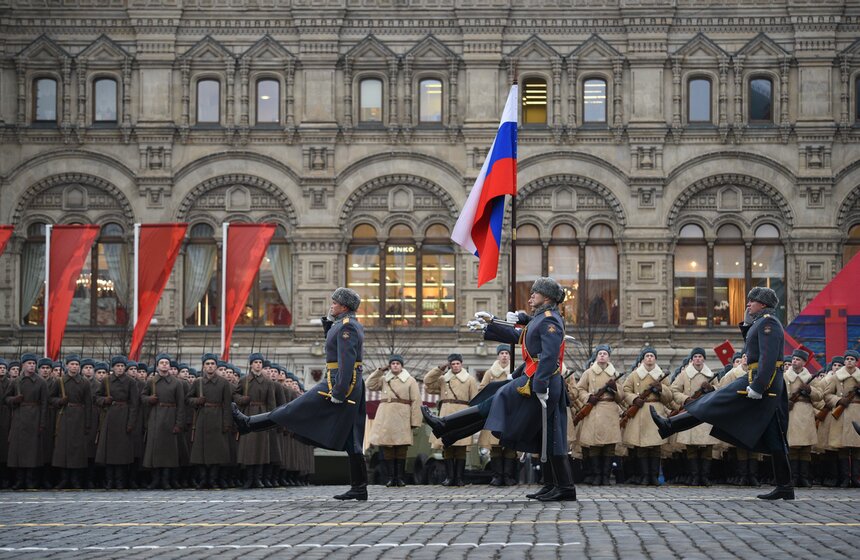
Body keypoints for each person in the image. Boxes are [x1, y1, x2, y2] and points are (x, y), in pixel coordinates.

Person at [422, 277, 576, 501]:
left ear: (548, 298)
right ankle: (557, 485)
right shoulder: (540, 319)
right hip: (536, 379)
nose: (531, 296)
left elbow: (550, 356)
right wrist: (492, 325)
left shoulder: (549, 321)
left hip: (542, 382)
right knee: (548, 435)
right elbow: (521, 336)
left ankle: (446, 426)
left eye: (536, 293)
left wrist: (541, 385)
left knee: (498, 397)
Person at [651, 287, 795, 500]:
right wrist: (748, 324)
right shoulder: (761, 322)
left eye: (751, 301)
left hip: (760, 381)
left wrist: (759, 385)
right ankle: (785, 486)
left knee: (711, 402)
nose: (747, 304)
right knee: (775, 437)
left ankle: (670, 425)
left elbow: (768, 358)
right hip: (761, 382)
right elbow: (754, 347)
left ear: (763, 304)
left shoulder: (769, 324)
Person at [232, 287, 368, 500]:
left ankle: (249, 424)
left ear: (344, 306)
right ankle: (359, 488)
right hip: (347, 383)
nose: (331, 305)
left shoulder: (346, 328)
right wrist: (329, 329)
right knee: (353, 438)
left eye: (334, 302)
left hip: (339, 384)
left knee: (294, 409)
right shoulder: (344, 325)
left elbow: (346, 361)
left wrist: (340, 391)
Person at [365, 355, 422, 487]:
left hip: (403, 416)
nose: (395, 365)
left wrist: (415, 421)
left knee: (401, 448)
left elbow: (416, 401)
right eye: (393, 363)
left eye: (397, 363)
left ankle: (400, 478)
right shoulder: (384, 379)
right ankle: (391, 478)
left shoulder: (410, 380)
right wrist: (380, 370)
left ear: (402, 366)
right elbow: (370, 384)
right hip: (386, 417)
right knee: (388, 448)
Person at [423, 353, 479, 486]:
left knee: (460, 446)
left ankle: (459, 478)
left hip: (463, 412)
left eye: (457, 363)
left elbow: (475, 399)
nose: (455, 366)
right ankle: (449, 477)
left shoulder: (469, 379)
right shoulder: (443, 379)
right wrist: (439, 369)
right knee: (447, 445)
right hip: (446, 412)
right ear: (449, 365)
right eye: (452, 364)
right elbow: (428, 381)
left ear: (462, 364)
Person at [575, 344, 623, 486]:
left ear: (608, 357)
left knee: (609, 446)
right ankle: (596, 476)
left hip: (610, 409)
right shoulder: (589, 373)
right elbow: (580, 389)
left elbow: (622, 395)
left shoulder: (614, 373)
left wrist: (615, 390)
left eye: (605, 353)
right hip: (594, 408)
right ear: (596, 356)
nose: (602, 355)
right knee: (594, 445)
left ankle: (605, 476)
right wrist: (589, 397)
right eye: (600, 353)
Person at [670, 347, 719, 486]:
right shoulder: (684, 374)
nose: (698, 359)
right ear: (692, 359)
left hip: (706, 412)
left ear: (704, 359)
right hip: (691, 412)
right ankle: (694, 476)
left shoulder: (711, 375)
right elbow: (674, 390)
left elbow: (720, 389)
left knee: (707, 448)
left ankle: (704, 477)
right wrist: (686, 399)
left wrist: (712, 389)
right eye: (696, 356)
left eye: (700, 356)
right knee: (691, 448)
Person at [188, 353, 233, 489]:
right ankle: (203, 479)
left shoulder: (224, 383)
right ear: (203, 366)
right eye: (207, 364)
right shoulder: (198, 382)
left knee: (216, 452)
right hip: (202, 419)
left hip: (218, 418)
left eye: (212, 364)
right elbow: (188, 399)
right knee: (200, 452)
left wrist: (226, 423)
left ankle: (213, 480)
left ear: (216, 366)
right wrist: (197, 401)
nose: (210, 366)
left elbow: (227, 405)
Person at [478, 345, 517, 486]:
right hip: (495, 410)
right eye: (502, 353)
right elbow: (482, 389)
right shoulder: (490, 373)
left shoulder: (516, 372)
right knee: (495, 446)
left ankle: (508, 476)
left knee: (510, 446)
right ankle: (497, 476)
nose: (504, 356)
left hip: (510, 412)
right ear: (498, 356)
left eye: (507, 353)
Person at [783, 349, 822, 487]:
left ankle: (804, 477)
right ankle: (793, 477)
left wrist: (810, 390)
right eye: (793, 359)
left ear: (804, 362)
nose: (794, 361)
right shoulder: (784, 377)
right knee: (793, 447)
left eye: (798, 359)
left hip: (806, 412)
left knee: (806, 448)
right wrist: (785, 402)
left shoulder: (811, 378)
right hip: (791, 412)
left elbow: (819, 395)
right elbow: (778, 393)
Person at [821, 350, 860, 487]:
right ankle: (844, 478)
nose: (849, 361)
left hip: (857, 412)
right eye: (847, 359)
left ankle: (855, 479)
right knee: (843, 448)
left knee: (857, 449)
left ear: (856, 362)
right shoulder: (836, 377)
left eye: (852, 359)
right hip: (842, 413)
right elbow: (827, 395)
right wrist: (839, 400)